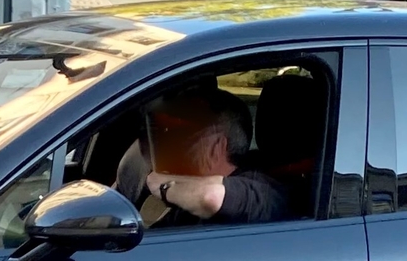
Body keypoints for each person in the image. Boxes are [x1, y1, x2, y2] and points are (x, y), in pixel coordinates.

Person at [112, 87, 286, 225]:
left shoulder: (264, 191)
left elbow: (210, 196)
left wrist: (162, 186)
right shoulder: (186, 193)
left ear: (215, 148)